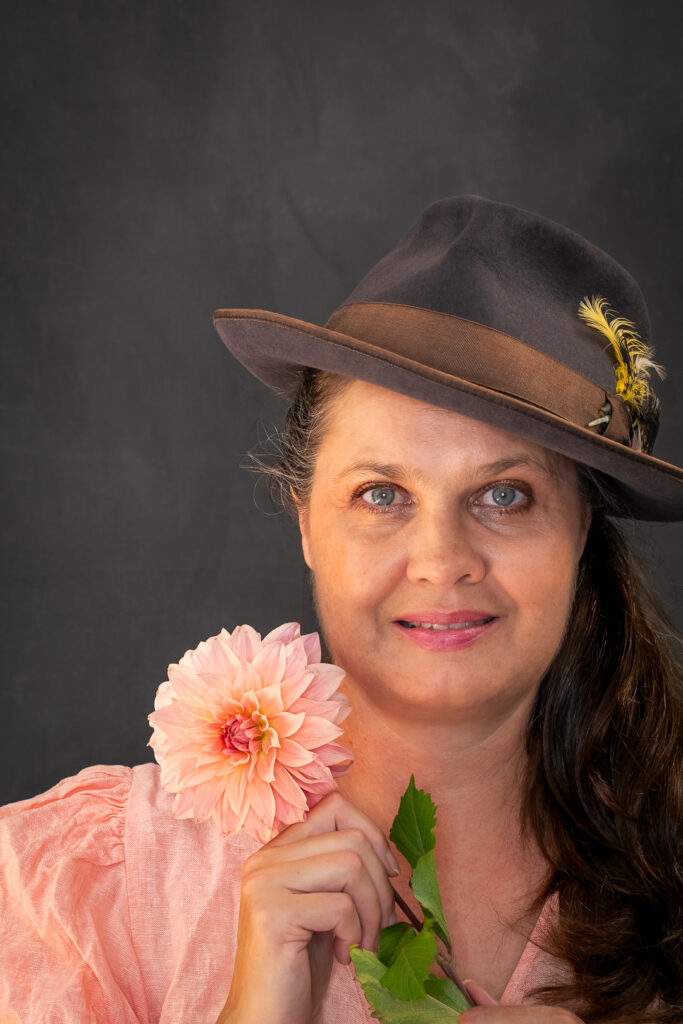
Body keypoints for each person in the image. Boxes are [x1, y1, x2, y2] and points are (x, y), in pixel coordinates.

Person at [1, 195, 681, 1024]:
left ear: (580, 529)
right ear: (307, 524)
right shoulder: (83, 886)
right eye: (381, 493)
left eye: (505, 494)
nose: (441, 561)